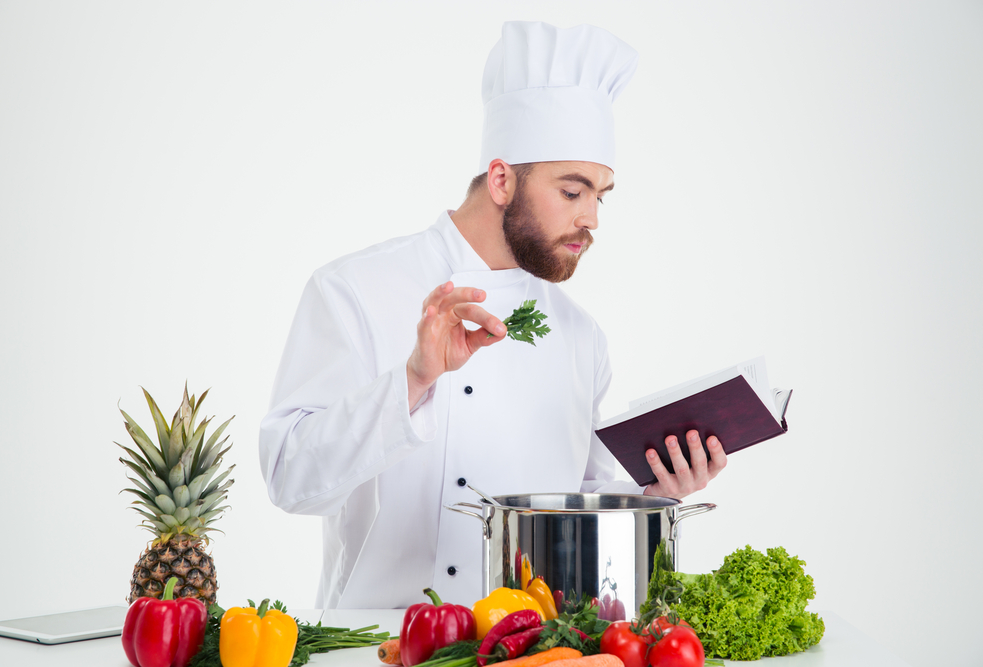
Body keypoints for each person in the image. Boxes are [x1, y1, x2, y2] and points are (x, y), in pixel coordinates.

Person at [258, 21, 727, 610]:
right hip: (377, 644)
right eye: (572, 191)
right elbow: (289, 482)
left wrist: (652, 490)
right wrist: (414, 381)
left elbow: (578, 502)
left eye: (600, 196)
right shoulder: (355, 289)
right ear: (502, 178)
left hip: (527, 645)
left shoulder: (582, 337)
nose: (592, 219)